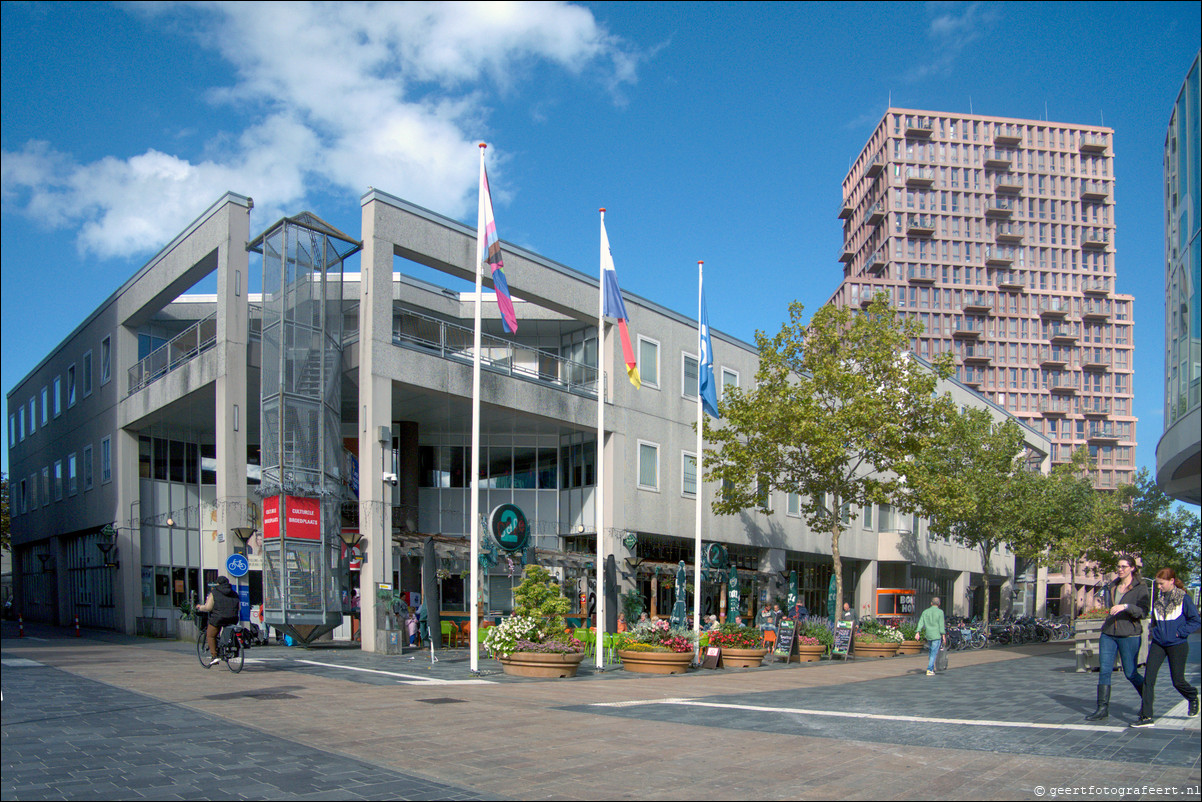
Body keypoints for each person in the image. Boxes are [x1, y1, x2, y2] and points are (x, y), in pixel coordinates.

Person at [1131, 568, 1200, 727]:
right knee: (1149, 679)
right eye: (1157, 584)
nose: (1159, 587)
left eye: (1161, 584)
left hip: (1178, 645)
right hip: (1158, 644)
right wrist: (1154, 632)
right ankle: (1146, 716)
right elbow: (1154, 621)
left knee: (1178, 681)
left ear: (1171, 581)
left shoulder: (1184, 599)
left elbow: (1195, 621)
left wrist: (1179, 633)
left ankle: (1192, 696)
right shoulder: (1159, 600)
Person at [1085, 554, 1149, 721]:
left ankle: (1148, 701)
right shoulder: (1113, 585)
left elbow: (1143, 612)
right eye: (1118, 567)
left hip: (1129, 634)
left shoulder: (1140, 588)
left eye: (1123, 567)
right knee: (1104, 670)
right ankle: (1102, 708)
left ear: (1132, 568)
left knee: (1130, 673)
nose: (1120, 570)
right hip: (1109, 633)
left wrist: (1126, 607)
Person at [195, 576, 240, 666]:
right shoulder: (234, 593)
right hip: (233, 618)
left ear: (218, 584)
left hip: (218, 618)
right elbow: (239, 608)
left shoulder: (214, 593)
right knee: (229, 632)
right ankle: (230, 649)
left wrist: (200, 607)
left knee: (211, 635)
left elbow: (208, 607)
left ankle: (214, 656)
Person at [915, 596, 946, 676]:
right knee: (934, 653)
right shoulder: (940, 612)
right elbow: (941, 625)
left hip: (928, 634)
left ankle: (931, 667)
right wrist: (943, 635)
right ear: (939, 604)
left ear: (931, 603)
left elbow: (921, 622)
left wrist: (918, 631)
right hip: (936, 635)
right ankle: (929, 669)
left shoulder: (925, 612)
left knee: (931, 651)